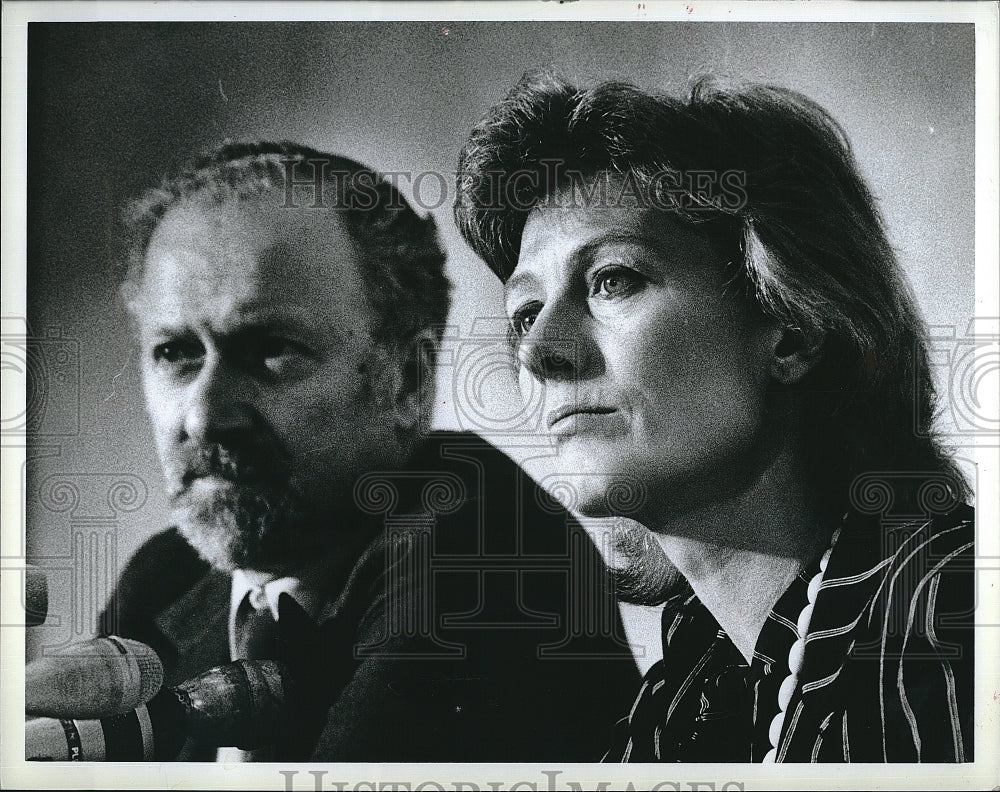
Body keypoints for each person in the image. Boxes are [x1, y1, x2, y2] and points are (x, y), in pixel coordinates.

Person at [454, 72, 975, 763]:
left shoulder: (955, 621)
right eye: (525, 311)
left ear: (792, 326)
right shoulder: (682, 696)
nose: (540, 350)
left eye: (613, 279)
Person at [99, 141, 640, 761]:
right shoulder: (162, 584)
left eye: (272, 351)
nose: (203, 415)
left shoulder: (486, 548)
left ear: (406, 380)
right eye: (175, 353)